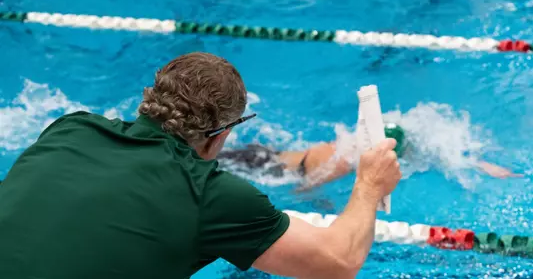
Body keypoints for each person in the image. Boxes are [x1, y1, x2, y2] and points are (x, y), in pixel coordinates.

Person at [0, 52, 401, 279]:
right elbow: (339, 261)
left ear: (148, 97)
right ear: (221, 134)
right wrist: (369, 185)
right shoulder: (209, 193)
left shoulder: (71, 128)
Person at [218, 120, 522, 191]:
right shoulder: (347, 159)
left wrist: (479, 164)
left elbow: (432, 152)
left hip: (275, 155)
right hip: (269, 166)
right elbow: (305, 187)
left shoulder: (360, 141)